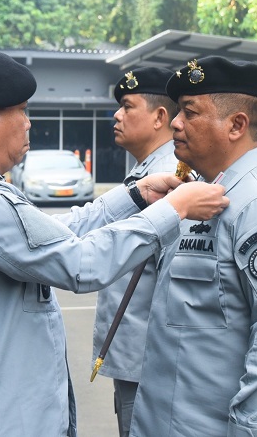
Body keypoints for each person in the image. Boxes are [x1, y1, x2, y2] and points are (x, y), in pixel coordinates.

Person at [0, 47, 228, 437]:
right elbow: (80, 263)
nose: (27, 123)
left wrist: (135, 197)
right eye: (21, 110)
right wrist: (173, 210)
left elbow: (53, 233)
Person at [130, 56, 257, 436]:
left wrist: (250, 429)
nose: (176, 123)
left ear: (236, 125)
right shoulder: (196, 194)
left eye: (190, 112)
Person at [92, 67, 178, 437]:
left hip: (151, 363)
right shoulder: (145, 173)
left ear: (160, 117)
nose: (117, 114)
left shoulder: (174, 177)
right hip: (133, 358)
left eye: (127, 106)